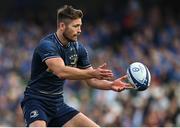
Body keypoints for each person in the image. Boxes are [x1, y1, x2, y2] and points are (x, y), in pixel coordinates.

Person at [21, 5, 134, 127]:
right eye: (75, 26)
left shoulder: (78, 49)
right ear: (62, 26)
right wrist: (92, 73)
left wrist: (110, 85)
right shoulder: (47, 45)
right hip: (36, 101)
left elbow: (91, 81)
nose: (79, 30)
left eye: (80, 26)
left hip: (57, 104)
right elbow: (61, 71)